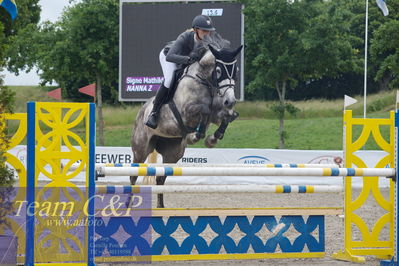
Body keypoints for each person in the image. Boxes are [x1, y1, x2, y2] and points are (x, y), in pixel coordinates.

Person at [145, 14, 216, 129]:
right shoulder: (185, 37)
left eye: (209, 31)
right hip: (168, 56)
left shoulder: (208, 41)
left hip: (184, 60)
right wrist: (188, 59)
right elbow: (170, 56)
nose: (207, 33)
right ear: (196, 30)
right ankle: (154, 112)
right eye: (204, 30)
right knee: (169, 79)